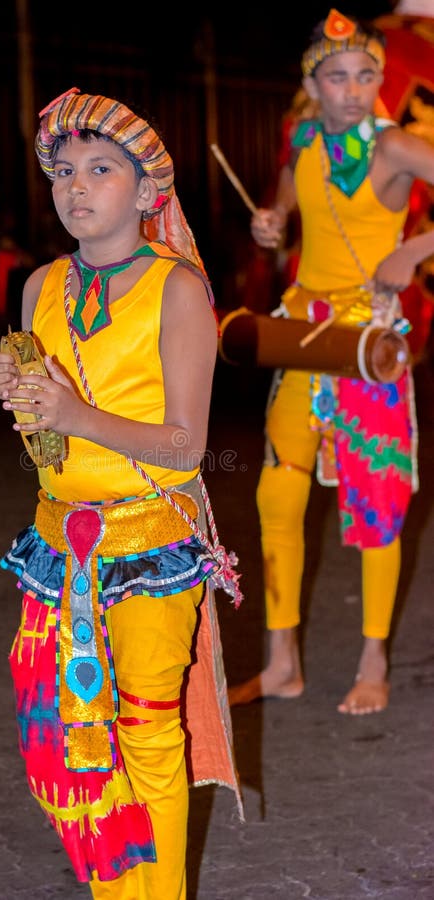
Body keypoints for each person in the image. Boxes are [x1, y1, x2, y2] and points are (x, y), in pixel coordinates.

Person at [0, 86, 243, 898]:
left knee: (146, 739)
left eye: (102, 168)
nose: (77, 186)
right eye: (63, 170)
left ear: (148, 190)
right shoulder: (37, 288)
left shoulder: (177, 291)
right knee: (54, 744)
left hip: (148, 547)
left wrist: (73, 409)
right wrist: (22, 400)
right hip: (55, 547)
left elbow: (185, 448)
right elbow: (49, 446)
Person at [227, 8, 434, 715]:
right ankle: (283, 661)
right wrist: (271, 222)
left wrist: (415, 247)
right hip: (304, 337)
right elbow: (286, 198)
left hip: (368, 346)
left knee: (378, 506)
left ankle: (373, 659)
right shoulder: (303, 140)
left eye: (365, 75)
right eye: (337, 76)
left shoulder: (397, 147)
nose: (353, 89)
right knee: (275, 496)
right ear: (311, 85)